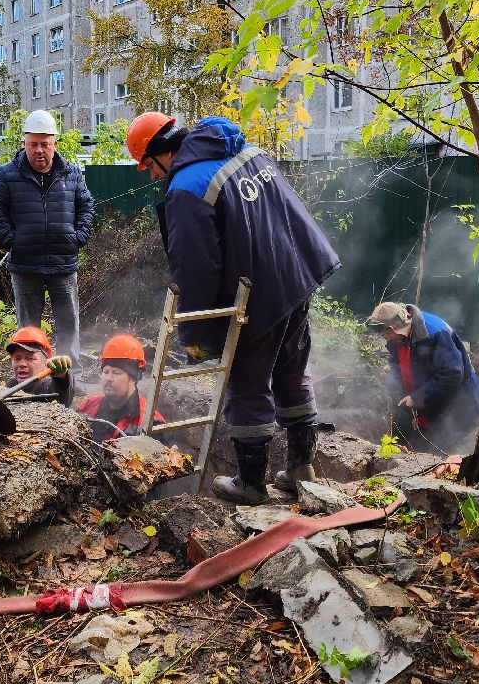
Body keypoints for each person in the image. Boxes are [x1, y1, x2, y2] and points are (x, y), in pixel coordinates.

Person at [127, 111, 341, 504]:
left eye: (150, 168)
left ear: (161, 154)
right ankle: (300, 469)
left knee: (247, 384)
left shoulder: (188, 187)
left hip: (259, 295)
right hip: (298, 274)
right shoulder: (248, 151)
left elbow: (196, 271)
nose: (153, 177)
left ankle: (251, 484)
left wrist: (196, 337)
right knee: (293, 369)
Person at [0, 109, 94, 363]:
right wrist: (11, 240)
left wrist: (77, 238)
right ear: (24, 144)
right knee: (28, 329)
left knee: (68, 325)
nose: (39, 151)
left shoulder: (72, 174)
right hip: (25, 264)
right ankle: (32, 376)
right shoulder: (7, 175)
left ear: (55, 144)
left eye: (45, 144)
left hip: (63, 262)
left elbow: (87, 207)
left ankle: (69, 375)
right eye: (33, 144)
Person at [366, 302, 479, 456]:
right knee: (409, 446)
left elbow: (452, 374)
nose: (384, 337)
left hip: (458, 406)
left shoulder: (435, 333)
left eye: (385, 333)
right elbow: (397, 363)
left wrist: (418, 397)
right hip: (429, 402)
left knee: (436, 454)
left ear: (394, 328)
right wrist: (398, 391)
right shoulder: (398, 339)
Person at [75, 334, 166, 441]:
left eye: (116, 373)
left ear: (133, 378)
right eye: (106, 372)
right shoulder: (87, 407)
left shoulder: (150, 423)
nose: (109, 378)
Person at [3, 326, 74, 406]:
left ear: (45, 363)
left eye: (30, 358)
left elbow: (62, 387)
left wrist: (61, 374)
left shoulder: (50, 387)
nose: (22, 364)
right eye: (17, 359)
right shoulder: (12, 384)